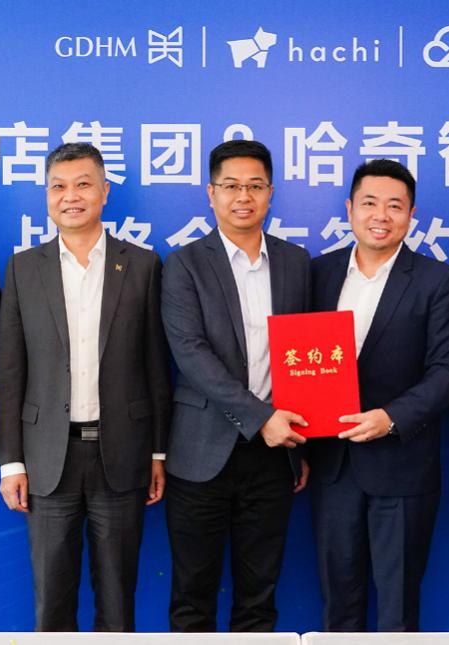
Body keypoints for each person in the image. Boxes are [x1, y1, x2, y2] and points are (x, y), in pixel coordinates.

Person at [0, 142, 171, 631]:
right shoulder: (23, 269)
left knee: (117, 600)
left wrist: (158, 452)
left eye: (83, 184)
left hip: (123, 454)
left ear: (105, 191)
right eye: (58, 186)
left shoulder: (143, 265)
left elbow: (156, 367)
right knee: (52, 601)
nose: (70, 196)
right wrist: (11, 462)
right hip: (48, 458)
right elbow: (9, 372)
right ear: (47, 196)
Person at [308, 159, 449, 631]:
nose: (381, 215)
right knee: (338, 603)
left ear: (411, 214)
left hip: (402, 465)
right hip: (332, 466)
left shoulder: (438, 281)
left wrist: (391, 418)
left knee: (397, 609)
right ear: (349, 209)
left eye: (395, 206)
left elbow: (448, 371)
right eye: (369, 203)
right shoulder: (317, 273)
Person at [160, 139, 311, 632]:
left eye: (255, 186)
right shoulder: (184, 264)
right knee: (192, 597)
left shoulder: (296, 263)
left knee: (259, 598)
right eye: (230, 186)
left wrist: (301, 439)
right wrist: (261, 418)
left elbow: (307, 355)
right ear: (211, 193)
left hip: (275, 454)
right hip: (201, 453)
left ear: (271, 193)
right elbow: (191, 355)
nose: (243, 196)